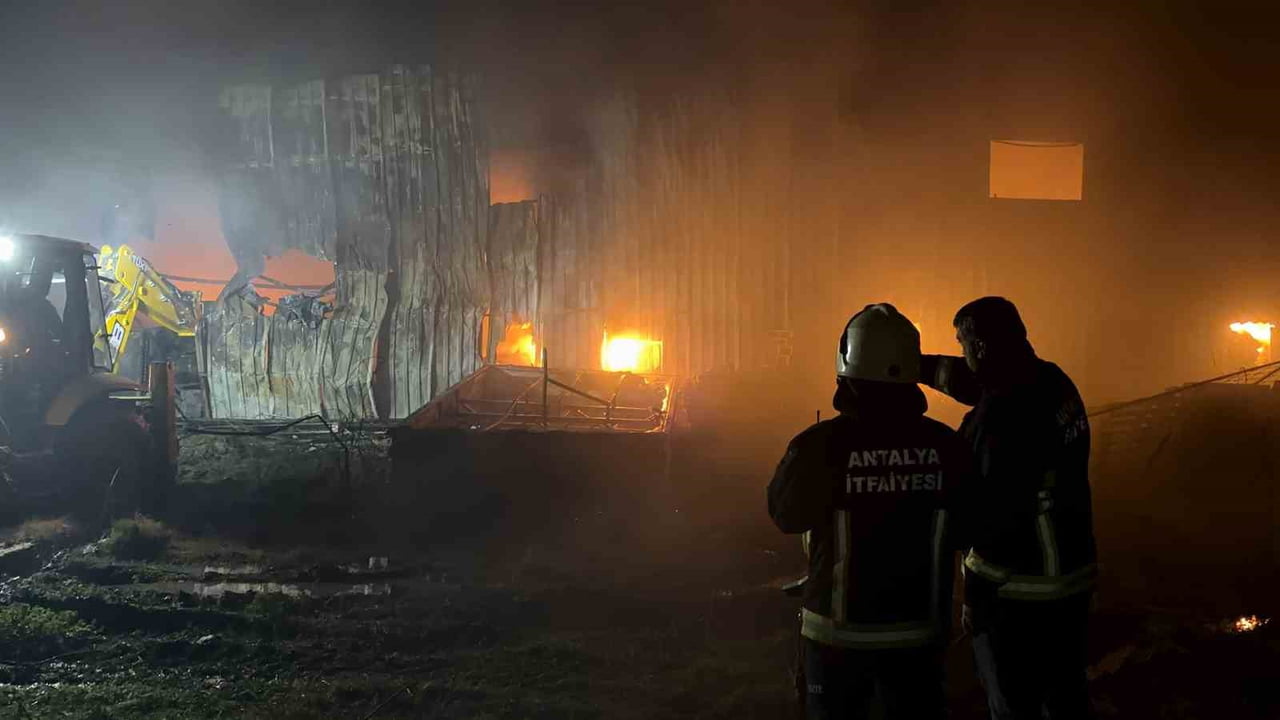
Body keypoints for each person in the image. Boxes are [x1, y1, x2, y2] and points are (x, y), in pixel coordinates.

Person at [768, 303, 973, 719]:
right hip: (919, 636)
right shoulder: (948, 445)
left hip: (836, 636)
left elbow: (785, 515)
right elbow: (972, 525)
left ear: (847, 368)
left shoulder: (819, 445)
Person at [920, 297, 1096, 720]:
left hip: (1019, 595)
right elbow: (974, 380)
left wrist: (975, 597)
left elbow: (993, 518)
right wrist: (915, 366)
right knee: (1066, 698)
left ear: (980, 346)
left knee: (1014, 705)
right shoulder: (1051, 380)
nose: (962, 352)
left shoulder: (999, 419)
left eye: (963, 343)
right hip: (1073, 578)